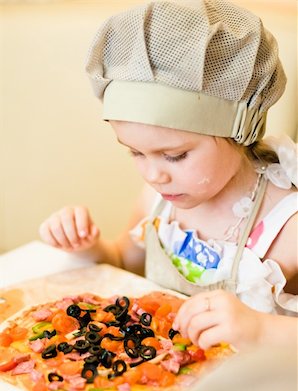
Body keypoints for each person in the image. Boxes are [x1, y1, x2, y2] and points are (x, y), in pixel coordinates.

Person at [39, 0, 297, 351]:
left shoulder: (287, 225)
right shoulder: (159, 201)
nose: (153, 174)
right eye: (135, 152)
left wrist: (260, 329)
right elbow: (122, 262)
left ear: (240, 133)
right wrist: (88, 246)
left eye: (175, 156)